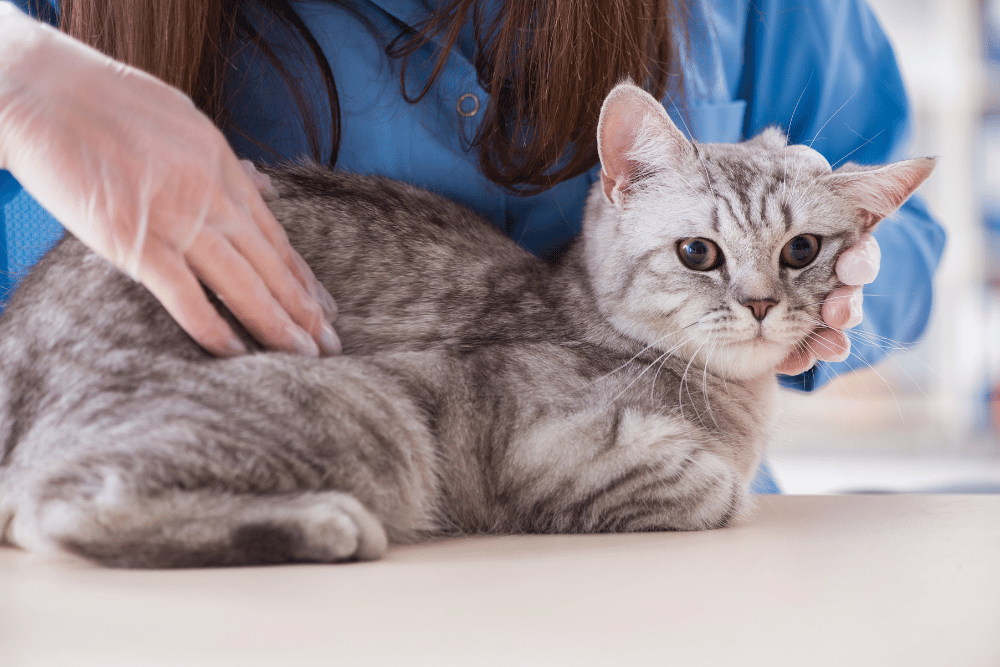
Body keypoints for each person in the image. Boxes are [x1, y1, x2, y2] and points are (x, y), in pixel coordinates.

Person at [0, 0, 946, 493]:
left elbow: (910, 253)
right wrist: (17, 74)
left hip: (665, 535)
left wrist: (831, 276)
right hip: (212, 522)